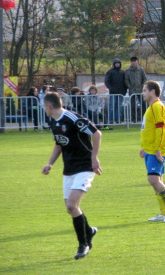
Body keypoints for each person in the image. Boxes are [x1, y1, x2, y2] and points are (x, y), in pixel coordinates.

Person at [41, 92, 102, 259]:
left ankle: (84, 245)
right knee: (71, 207)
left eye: (43, 106)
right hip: (69, 169)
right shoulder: (53, 121)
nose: (43, 108)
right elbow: (59, 144)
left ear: (49, 106)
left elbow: (96, 134)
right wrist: (50, 163)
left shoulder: (72, 118)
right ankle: (88, 230)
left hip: (84, 167)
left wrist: (94, 158)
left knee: (71, 205)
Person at [140, 80, 165, 223]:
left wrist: (158, 149)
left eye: (145, 90)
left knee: (153, 180)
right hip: (149, 150)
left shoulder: (157, 106)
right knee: (156, 181)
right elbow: (148, 129)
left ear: (152, 91)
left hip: (157, 150)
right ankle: (163, 212)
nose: (143, 93)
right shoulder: (150, 108)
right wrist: (144, 147)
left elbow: (160, 129)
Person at [125, 56, 148, 122]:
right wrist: (129, 86)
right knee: (133, 105)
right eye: (132, 61)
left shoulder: (141, 69)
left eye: (134, 61)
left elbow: (144, 78)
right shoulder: (128, 70)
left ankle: (144, 118)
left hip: (140, 90)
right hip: (132, 90)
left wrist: (143, 86)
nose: (133, 63)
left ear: (137, 62)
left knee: (143, 104)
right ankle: (134, 118)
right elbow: (126, 80)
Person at [105, 58, 126, 124]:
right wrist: (111, 88)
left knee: (119, 106)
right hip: (113, 93)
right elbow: (107, 82)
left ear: (120, 64)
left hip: (120, 93)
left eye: (118, 63)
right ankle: (111, 120)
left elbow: (125, 82)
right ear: (114, 64)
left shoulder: (122, 72)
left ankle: (118, 119)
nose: (117, 64)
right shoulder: (110, 72)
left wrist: (124, 91)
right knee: (112, 106)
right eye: (116, 63)